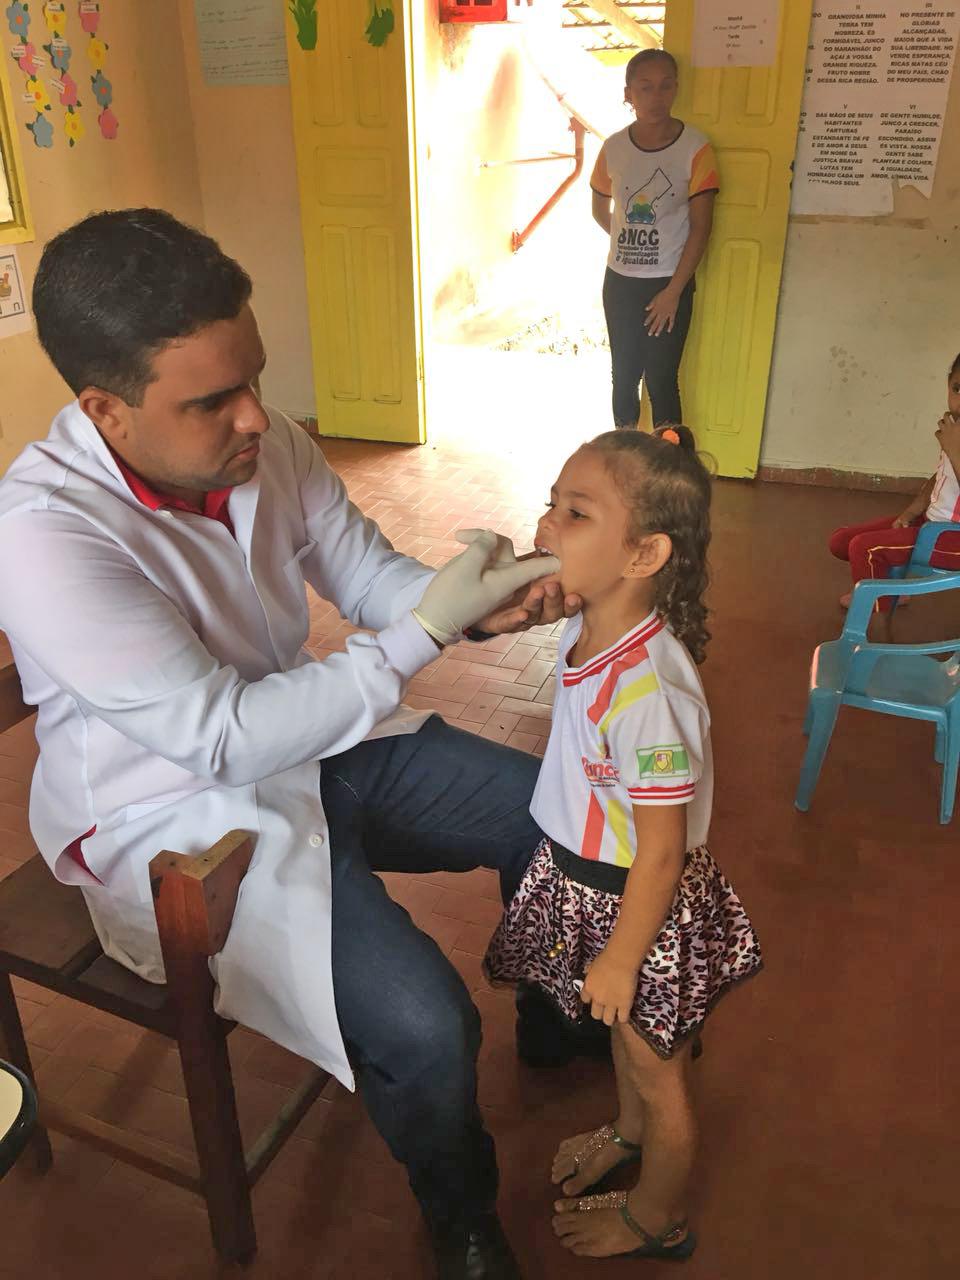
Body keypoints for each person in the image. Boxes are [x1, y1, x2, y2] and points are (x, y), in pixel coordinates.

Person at [0, 208, 581, 1280]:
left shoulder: (259, 443)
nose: (256, 416)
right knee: (424, 1023)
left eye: (253, 376)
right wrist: (427, 627)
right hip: (170, 818)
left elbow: (367, 579)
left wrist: (477, 600)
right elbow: (216, 738)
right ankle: (459, 1210)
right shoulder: (45, 531)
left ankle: (551, 1007)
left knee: (557, 812)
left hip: (299, 739)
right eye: (213, 399)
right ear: (104, 410)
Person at [484, 425, 762, 1260]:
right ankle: (627, 1132)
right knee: (621, 1039)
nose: (544, 528)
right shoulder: (594, 634)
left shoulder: (648, 695)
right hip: (592, 890)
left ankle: (656, 1215)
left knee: (656, 1066)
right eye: (550, 505)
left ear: (643, 556)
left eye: (575, 514)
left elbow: (664, 850)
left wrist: (622, 954)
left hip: (637, 902)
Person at [590, 49, 718, 431]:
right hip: (620, 283)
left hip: (668, 284)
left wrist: (673, 291)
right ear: (628, 93)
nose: (656, 97)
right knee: (624, 374)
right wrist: (628, 243)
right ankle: (625, 458)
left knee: (661, 378)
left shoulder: (696, 148)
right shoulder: (613, 147)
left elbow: (701, 227)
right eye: (645, 88)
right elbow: (600, 207)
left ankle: (669, 472)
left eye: (665, 86)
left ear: (676, 89)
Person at [829, 352, 960, 611]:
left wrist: (954, 449)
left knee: (863, 549)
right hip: (932, 524)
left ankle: (875, 618)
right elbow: (941, 477)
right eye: (958, 388)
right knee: (841, 541)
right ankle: (889, 593)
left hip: (954, 538)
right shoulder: (954, 427)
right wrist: (910, 513)